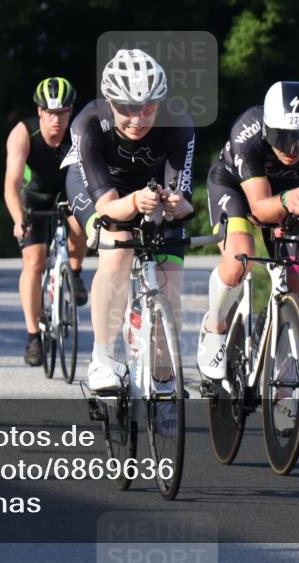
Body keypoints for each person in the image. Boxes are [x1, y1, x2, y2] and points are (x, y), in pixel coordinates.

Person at [62, 49, 195, 392]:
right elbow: (107, 207)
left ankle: (160, 369)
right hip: (98, 186)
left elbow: (183, 203)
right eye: (126, 109)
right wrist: (135, 201)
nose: (137, 119)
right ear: (110, 102)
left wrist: (176, 204)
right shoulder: (88, 124)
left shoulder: (179, 124)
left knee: (171, 283)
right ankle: (103, 358)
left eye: (148, 108)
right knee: (118, 247)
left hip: (149, 187)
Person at [197, 81, 299, 380]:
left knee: (295, 282)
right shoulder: (247, 131)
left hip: (291, 196)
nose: (291, 149)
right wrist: (289, 202)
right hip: (238, 189)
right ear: (266, 129)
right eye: (281, 137)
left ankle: (285, 379)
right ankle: (215, 325)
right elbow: (261, 207)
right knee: (241, 258)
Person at [4, 77, 89, 367]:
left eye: (63, 113)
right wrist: (18, 220)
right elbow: (12, 185)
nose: (57, 120)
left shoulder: (79, 133)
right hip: (34, 198)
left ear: (71, 111)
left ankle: (75, 272)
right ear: (39, 111)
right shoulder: (23, 133)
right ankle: (32, 337)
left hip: (69, 193)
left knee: (82, 221)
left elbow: (93, 178)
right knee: (34, 262)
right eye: (50, 113)